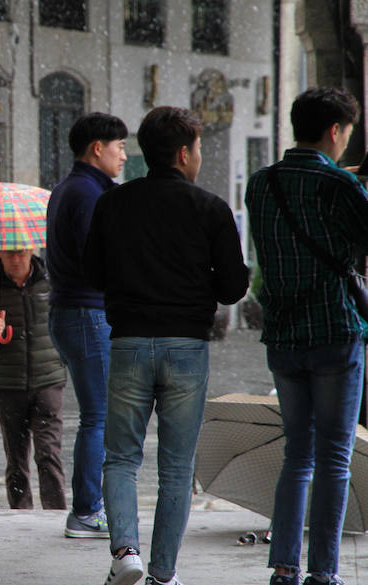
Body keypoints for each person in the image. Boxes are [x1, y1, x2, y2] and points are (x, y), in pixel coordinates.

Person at [84, 106, 249, 585]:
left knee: (120, 458)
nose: (199, 156)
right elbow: (234, 288)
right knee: (176, 469)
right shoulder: (210, 208)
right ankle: (163, 573)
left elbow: (92, 273)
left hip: (130, 342)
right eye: (197, 147)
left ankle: (125, 553)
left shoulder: (113, 203)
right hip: (186, 349)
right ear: (183, 153)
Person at [245, 87, 368, 585]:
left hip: (283, 337)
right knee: (335, 458)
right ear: (336, 131)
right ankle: (323, 572)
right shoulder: (340, 187)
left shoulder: (261, 184)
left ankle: (284, 567)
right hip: (336, 334)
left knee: (297, 455)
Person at [46, 112, 128, 539]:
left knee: (95, 416)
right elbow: (97, 258)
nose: (124, 156)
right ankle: (85, 511)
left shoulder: (69, 188)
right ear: (98, 148)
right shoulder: (88, 193)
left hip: (70, 313)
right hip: (87, 313)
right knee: (98, 417)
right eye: (119, 148)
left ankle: (87, 507)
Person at [0, 249, 68, 509]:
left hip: (48, 380)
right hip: (6, 384)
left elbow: (68, 324)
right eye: (9, 254)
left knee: (48, 454)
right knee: (16, 459)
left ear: (31, 251)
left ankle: (55, 511)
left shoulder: (51, 283)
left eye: (21, 253)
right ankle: (20, 514)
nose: (16, 260)